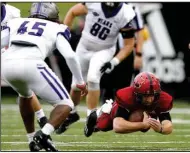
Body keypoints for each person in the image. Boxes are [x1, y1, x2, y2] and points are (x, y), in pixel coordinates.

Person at [1, 2, 87, 151]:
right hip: (32, 63)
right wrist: (80, 81)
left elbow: (2, 43)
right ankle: (43, 134)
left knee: (25, 95)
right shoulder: (57, 27)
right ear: (53, 14)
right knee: (66, 104)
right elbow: (70, 56)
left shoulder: (15, 21)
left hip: (7, 65)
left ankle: (31, 140)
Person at [58, 2, 136, 134]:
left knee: (93, 78)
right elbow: (72, 12)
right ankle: (73, 112)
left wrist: (114, 61)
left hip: (104, 50)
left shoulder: (125, 13)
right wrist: (64, 35)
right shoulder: (93, 4)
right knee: (77, 84)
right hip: (83, 47)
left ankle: (91, 117)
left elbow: (129, 44)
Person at [1, 2, 48, 130]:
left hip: (7, 53)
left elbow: (18, 34)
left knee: (24, 87)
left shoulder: (13, 13)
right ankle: (41, 117)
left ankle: (42, 117)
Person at [84, 72, 173, 137]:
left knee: (140, 118)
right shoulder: (127, 97)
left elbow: (168, 125)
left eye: (152, 95)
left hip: (142, 114)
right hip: (129, 112)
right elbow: (117, 126)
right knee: (103, 125)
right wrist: (143, 125)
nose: (149, 100)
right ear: (137, 93)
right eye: (145, 96)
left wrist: (161, 129)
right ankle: (97, 114)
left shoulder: (162, 99)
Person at [100, 3, 145, 103]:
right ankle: (106, 115)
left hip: (125, 52)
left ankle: (121, 114)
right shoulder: (102, 5)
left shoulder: (131, 7)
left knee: (124, 89)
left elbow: (140, 30)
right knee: (107, 88)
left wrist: (139, 54)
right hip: (107, 51)